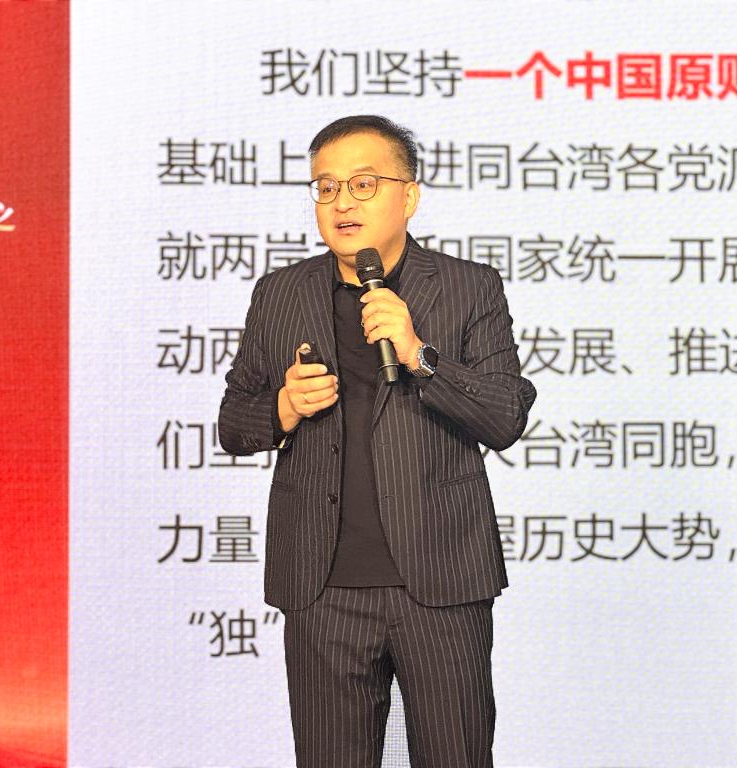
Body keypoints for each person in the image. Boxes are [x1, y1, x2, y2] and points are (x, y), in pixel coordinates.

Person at [218, 115, 536, 768]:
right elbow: (234, 423)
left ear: (408, 195)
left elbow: (505, 416)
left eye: (363, 184)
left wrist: (421, 356)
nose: (343, 203)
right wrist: (283, 406)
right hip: (322, 587)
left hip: (442, 582)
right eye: (326, 187)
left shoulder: (469, 287)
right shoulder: (279, 295)